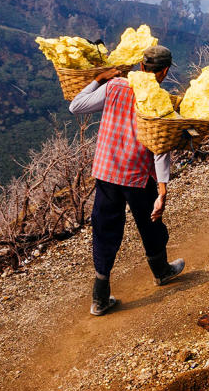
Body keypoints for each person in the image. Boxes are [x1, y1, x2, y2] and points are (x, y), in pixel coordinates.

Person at [69, 45, 184, 316]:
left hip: (107, 172)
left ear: (141, 66)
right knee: (151, 225)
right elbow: (159, 148)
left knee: (105, 231)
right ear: (165, 71)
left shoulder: (116, 86)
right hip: (137, 175)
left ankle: (100, 298)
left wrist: (100, 78)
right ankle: (161, 272)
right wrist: (163, 190)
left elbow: (76, 106)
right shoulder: (161, 99)